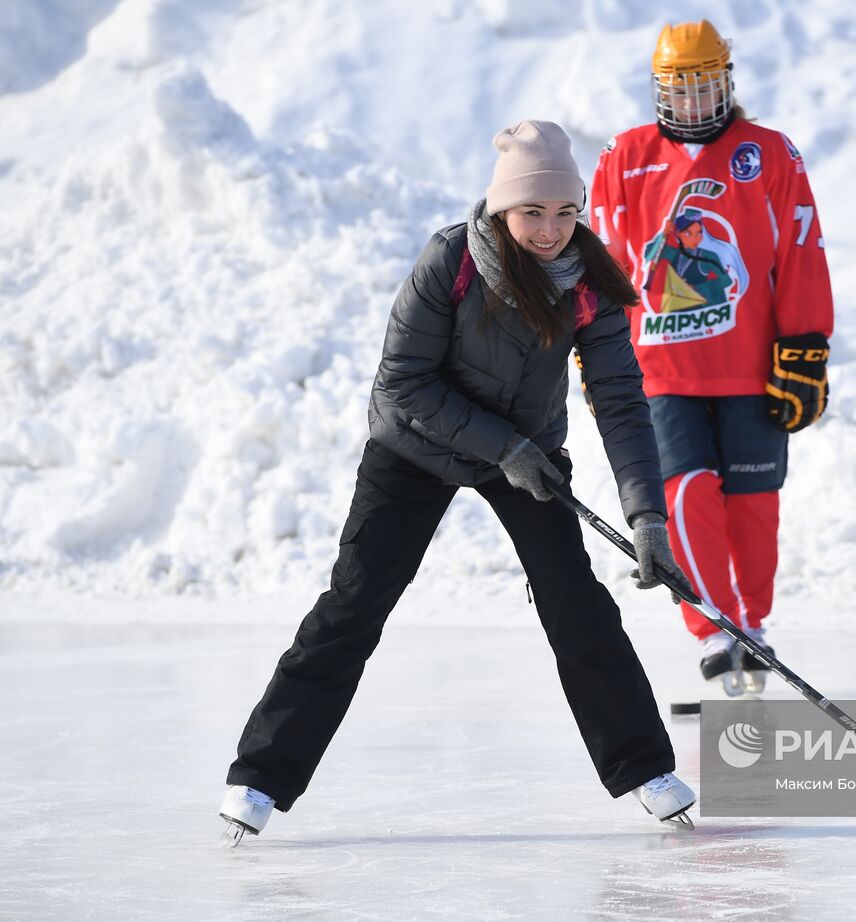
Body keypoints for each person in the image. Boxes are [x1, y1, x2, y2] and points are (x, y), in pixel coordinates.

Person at [218, 119, 697, 843]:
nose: (550, 230)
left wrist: (647, 518)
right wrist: (502, 446)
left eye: (565, 212)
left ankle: (645, 767)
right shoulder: (452, 260)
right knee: (356, 602)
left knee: (577, 602)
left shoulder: (589, 283)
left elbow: (622, 402)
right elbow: (403, 382)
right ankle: (259, 776)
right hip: (415, 446)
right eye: (533, 211)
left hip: (527, 455)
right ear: (502, 207)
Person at [587, 20, 835, 694]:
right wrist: (595, 345)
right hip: (659, 372)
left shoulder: (769, 153)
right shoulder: (623, 158)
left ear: (726, 80)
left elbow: (800, 251)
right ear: (660, 91)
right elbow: (604, 265)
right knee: (685, 496)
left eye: (704, 85)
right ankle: (710, 622)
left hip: (752, 364)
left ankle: (752, 622)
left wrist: (806, 345)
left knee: (754, 503)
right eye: (680, 88)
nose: (694, 101)